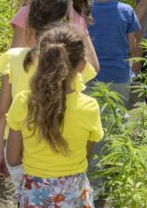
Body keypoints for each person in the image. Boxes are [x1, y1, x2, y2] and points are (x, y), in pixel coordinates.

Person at [0, 0, 99, 187]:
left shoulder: (14, 58)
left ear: (30, 21)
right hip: (65, 156)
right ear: (66, 21)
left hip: (21, 144)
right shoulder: (73, 61)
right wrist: (81, 31)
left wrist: (0, 152)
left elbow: (2, 112)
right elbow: (92, 70)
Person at [6, 27, 103, 207]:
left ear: (40, 60)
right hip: (74, 192)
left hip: (33, 190)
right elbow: (86, 156)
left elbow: (12, 158)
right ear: (81, 65)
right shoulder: (90, 107)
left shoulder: (23, 102)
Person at [87, 0, 140, 104]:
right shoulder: (127, 11)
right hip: (119, 75)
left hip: (90, 75)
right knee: (117, 117)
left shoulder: (85, 11)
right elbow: (131, 48)